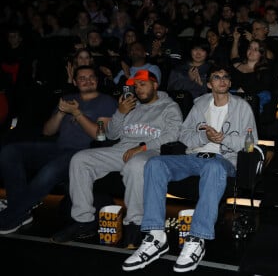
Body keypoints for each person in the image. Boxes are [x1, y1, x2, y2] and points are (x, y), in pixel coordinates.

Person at [122, 64, 257, 272]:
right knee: (154, 164)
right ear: (209, 83)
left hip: (224, 160)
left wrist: (223, 139)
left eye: (225, 77)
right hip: (194, 156)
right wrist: (204, 136)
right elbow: (183, 135)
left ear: (229, 83)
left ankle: (197, 238)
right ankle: (155, 236)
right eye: (216, 76)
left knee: (213, 167)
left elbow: (251, 143)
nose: (222, 80)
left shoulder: (242, 107)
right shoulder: (200, 104)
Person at [51, 70, 182, 247]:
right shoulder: (130, 105)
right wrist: (120, 113)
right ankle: (84, 220)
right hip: (121, 150)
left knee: (136, 164)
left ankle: (135, 223)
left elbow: (173, 135)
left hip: (152, 151)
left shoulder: (169, 107)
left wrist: (142, 147)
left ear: (155, 85)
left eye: (142, 84)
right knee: (80, 159)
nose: (138, 89)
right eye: (136, 86)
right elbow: (111, 134)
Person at [0, 65, 117, 233]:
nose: (87, 80)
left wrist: (77, 113)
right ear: (75, 82)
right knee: (10, 151)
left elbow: (99, 135)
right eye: (82, 78)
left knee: (50, 170)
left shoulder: (106, 101)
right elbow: (48, 131)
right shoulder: (68, 98)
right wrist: (61, 113)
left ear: (97, 81)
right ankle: (20, 210)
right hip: (58, 147)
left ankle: (11, 216)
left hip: (84, 153)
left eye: (91, 77)